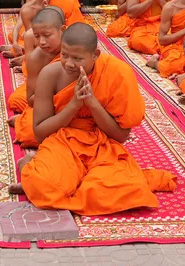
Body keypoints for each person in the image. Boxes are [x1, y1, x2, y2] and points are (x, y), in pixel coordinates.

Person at [14, 22, 175, 215]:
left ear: (95, 55)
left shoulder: (118, 73)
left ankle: (67, 182)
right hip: (63, 142)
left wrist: (92, 103)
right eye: (64, 55)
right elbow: (40, 134)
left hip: (102, 145)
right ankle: (41, 171)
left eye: (77, 58)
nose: (69, 63)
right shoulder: (51, 74)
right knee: (44, 184)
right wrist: (74, 105)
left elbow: (121, 136)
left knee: (126, 191)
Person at [9, 6, 65, 148]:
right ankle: (23, 119)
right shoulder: (36, 58)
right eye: (37, 36)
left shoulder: (76, 51)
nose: (41, 42)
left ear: (62, 30)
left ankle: (22, 119)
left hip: (75, 108)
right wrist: (58, 98)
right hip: (47, 105)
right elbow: (31, 99)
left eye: (47, 35)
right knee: (31, 136)